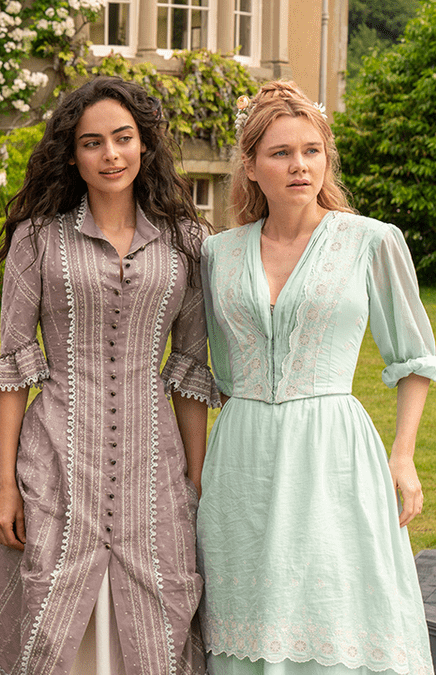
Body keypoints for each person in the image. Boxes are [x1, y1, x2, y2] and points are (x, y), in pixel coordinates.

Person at [0, 76, 217, 675]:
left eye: (123, 139)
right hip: (56, 450)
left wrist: (198, 480)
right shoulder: (37, 240)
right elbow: (13, 367)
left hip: (151, 457)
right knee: (50, 596)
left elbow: (188, 371)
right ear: (71, 154)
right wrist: (5, 487)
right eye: (93, 142)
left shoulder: (187, 242)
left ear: (145, 146)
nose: (111, 155)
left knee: (159, 601)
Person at [197, 81, 435, 675]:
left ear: (326, 157)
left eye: (311, 150)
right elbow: (216, 366)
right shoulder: (217, 253)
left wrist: (402, 456)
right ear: (250, 166)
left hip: (334, 450)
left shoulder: (371, 241)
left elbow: (415, 358)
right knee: (247, 615)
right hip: (242, 456)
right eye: (280, 153)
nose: (299, 165)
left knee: (339, 610)